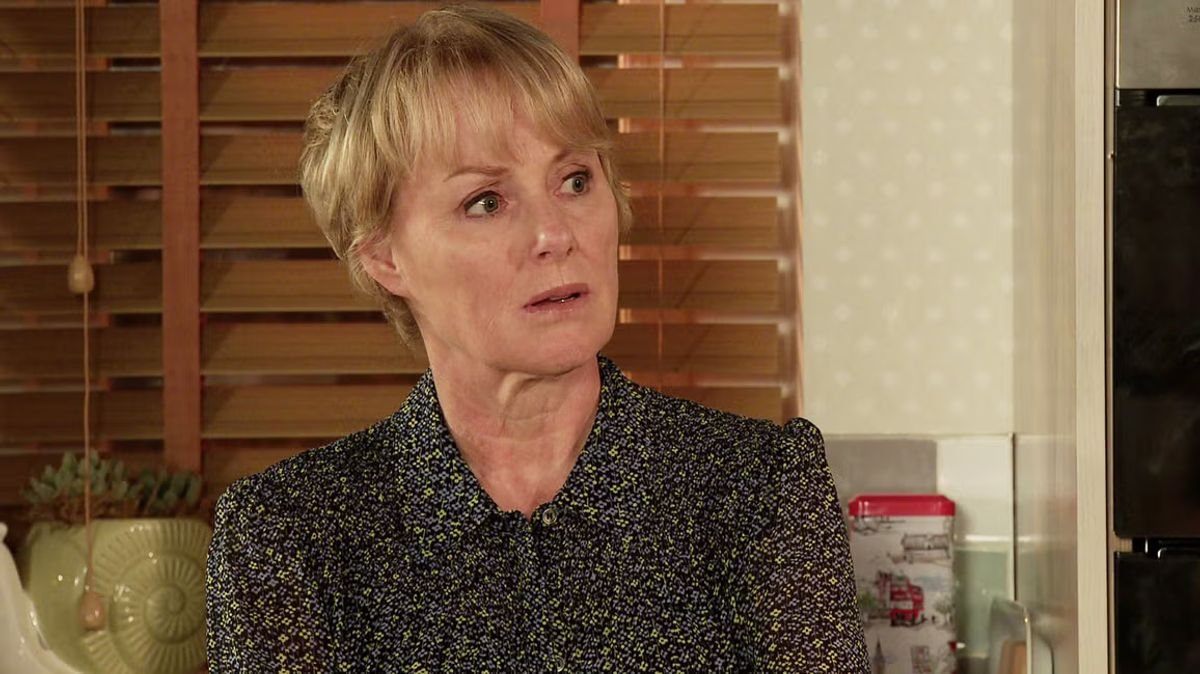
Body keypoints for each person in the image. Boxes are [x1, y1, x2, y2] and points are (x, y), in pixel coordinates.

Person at [204, 4, 869, 672]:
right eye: (486, 202)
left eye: (575, 181)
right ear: (385, 258)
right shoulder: (286, 536)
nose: (556, 234)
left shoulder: (762, 489)